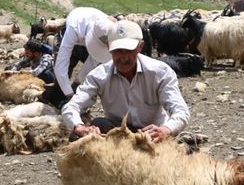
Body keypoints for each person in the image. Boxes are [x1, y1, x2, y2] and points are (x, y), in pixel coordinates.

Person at [62, 20, 190, 143]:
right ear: (109, 48)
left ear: (140, 47)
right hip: (117, 134)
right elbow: (72, 106)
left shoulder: (160, 72)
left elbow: (180, 111)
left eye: (129, 51)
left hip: (151, 135)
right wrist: (80, 127)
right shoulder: (98, 76)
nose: (123, 57)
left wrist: (166, 129)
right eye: (117, 51)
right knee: (90, 129)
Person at [40, 7, 116, 108]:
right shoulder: (74, 28)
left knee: (91, 74)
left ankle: (65, 99)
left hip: (86, 40)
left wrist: (77, 83)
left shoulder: (109, 30)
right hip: (71, 33)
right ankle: (49, 97)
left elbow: (95, 58)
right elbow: (60, 65)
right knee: (62, 78)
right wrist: (70, 94)